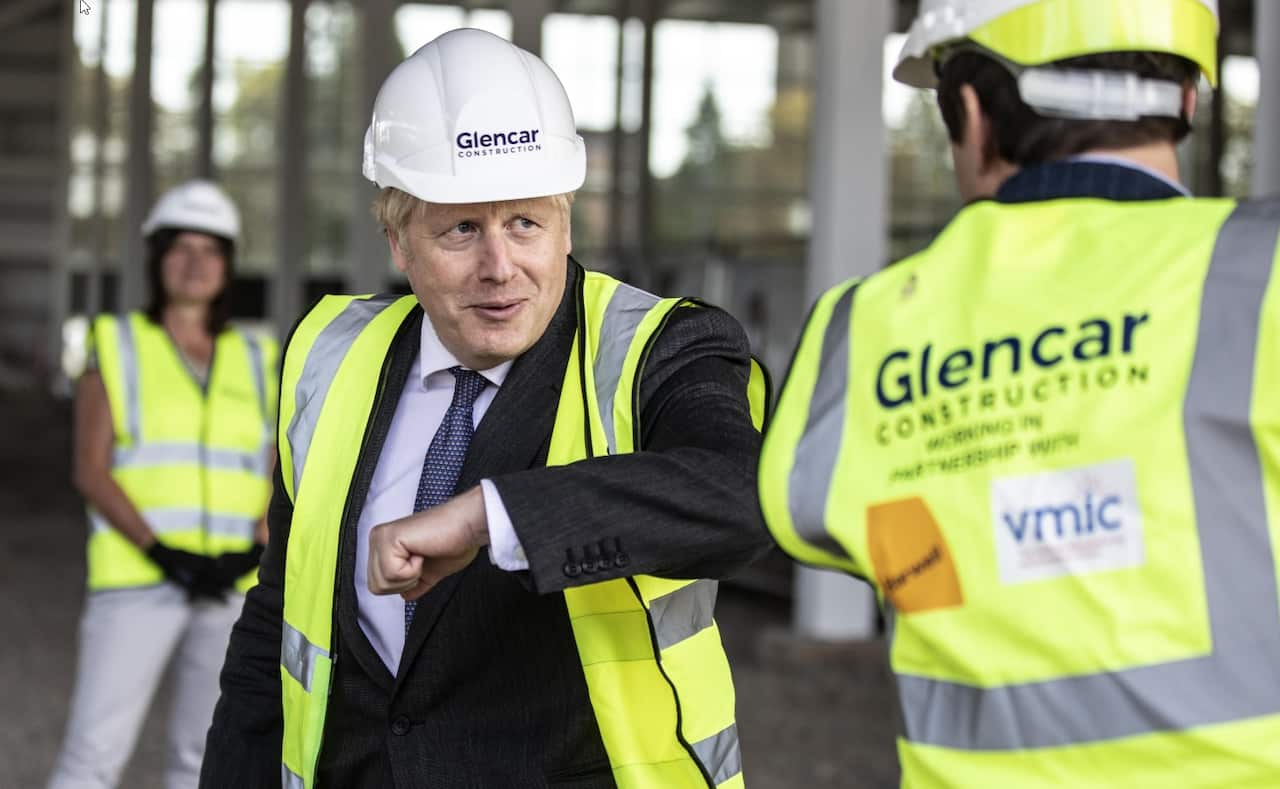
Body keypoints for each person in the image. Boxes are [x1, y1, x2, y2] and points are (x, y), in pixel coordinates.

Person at [202, 28, 770, 789]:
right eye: (462, 228)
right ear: (399, 240)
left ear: (566, 223)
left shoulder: (663, 347)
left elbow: (741, 498)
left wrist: (488, 517)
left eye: (526, 223)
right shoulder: (331, 356)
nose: (500, 267)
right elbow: (274, 625)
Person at [758, 0, 1280, 786]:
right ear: (1188, 100)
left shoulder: (861, 326)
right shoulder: (1260, 273)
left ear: (968, 113)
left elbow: (805, 516)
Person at [48, 179, 277, 789]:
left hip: (234, 582)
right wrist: (160, 552)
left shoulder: (259, 354)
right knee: (92, 756)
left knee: (204, 761)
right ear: (158, 260)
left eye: (211, 249)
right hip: (139, 580)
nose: (196, 263)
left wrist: (257, 547)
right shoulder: (115, 342)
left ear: (228, 264)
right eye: (181, 248)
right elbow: (89, 468)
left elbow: (280, 462)